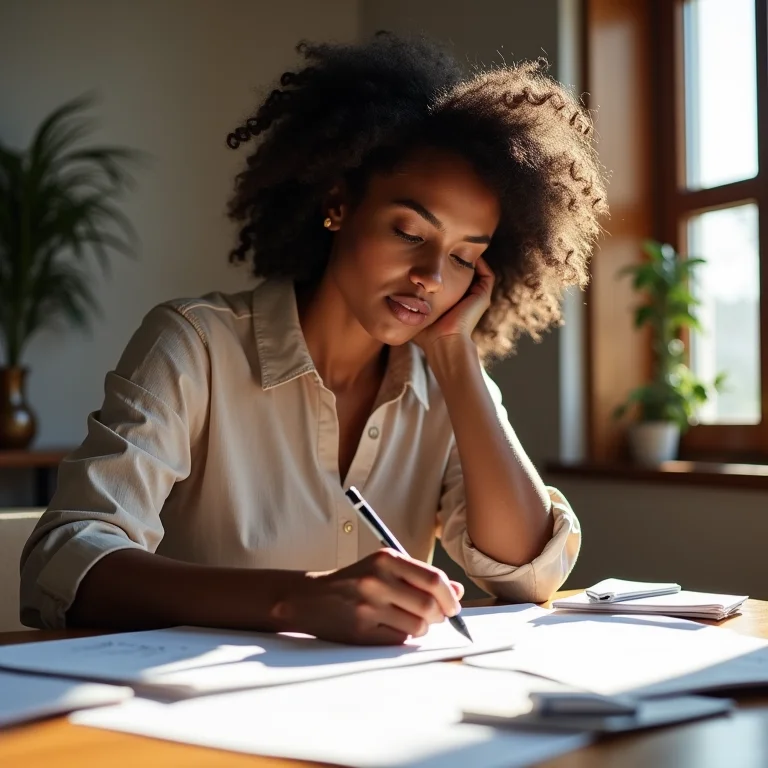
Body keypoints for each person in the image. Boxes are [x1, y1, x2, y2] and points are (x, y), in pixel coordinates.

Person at [20, 33, 607, 644]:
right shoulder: (197, 345)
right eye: (409, 232)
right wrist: (292, 599)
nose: (432, 277)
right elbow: (63, 563)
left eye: (464, 257)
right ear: (338, 204)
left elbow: (527, 575)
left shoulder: (448, 385)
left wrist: (459, 357)